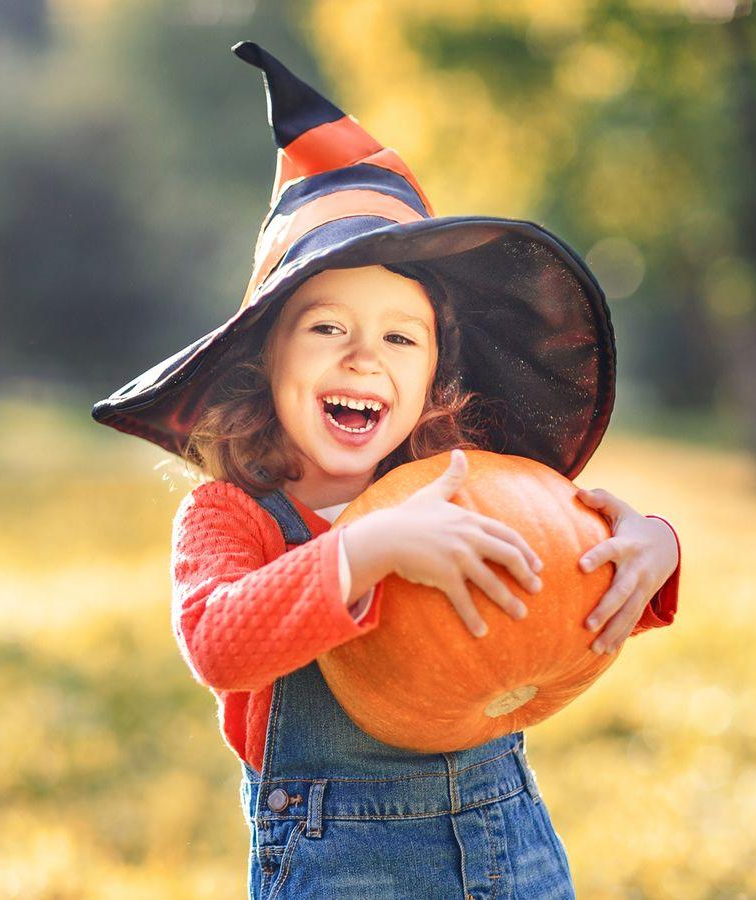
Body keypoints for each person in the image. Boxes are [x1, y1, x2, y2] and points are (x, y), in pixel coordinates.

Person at [90, 40, 681, 899]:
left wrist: (651, 547)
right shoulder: (231, 515)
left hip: (507, 841)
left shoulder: (458, 476)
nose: (364, 356)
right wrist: (366, 550)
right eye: (327, 328)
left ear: (434, 375)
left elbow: (557, 580)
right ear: (265, 358)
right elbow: (218, 645)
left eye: (400, 337)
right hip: (338, 861)